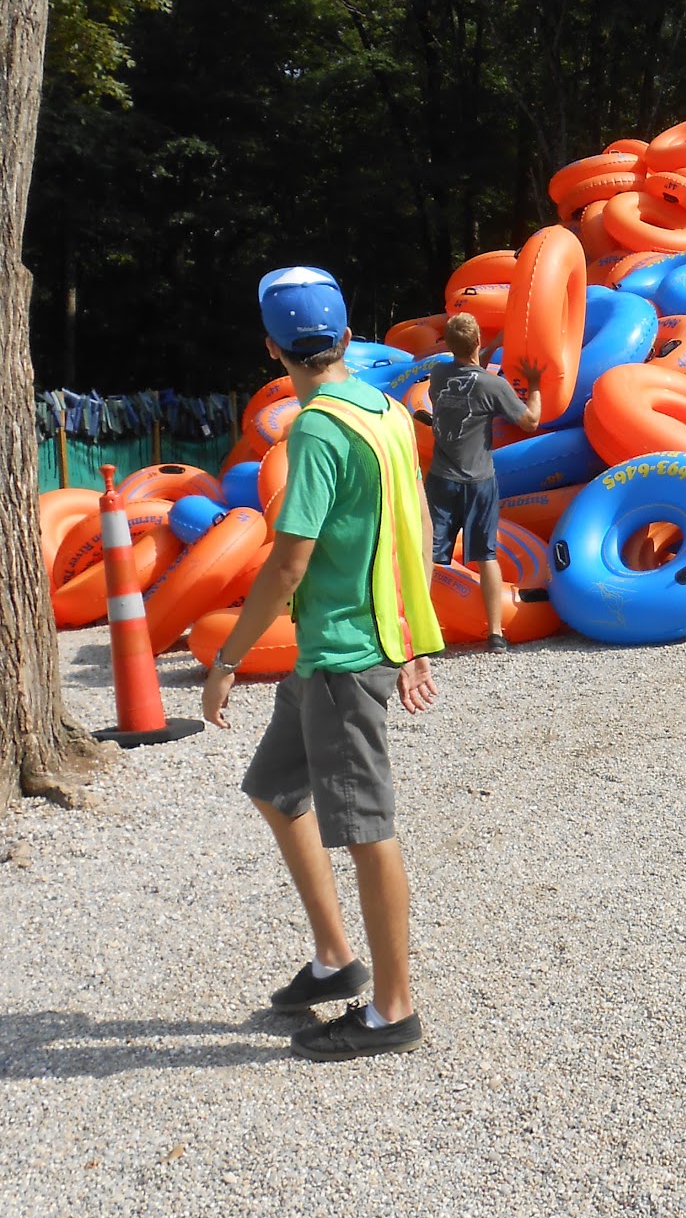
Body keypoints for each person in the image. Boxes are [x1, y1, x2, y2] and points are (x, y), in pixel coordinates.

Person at [202, 266, 444, 1061]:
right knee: (275, 790)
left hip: (343, 657)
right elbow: (413, 528)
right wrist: (410, 637)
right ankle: (336, 960)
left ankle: (393, 1010)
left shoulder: (313, 429)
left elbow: (285, 567)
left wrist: (228, 658)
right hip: (338, 649)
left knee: (368, 830)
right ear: (345, 338)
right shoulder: (385, 409)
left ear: (272, 349)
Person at [420, 312, 541, 650]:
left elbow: (468, 369)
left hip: (441, 480)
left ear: (448, 343)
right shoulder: (494, 386)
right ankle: (495, 633)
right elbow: (530, 421)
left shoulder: (440, 374)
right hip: (478, 482)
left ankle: (419, 630)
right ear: (477, 341)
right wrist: (534, 384)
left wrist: (487, 350)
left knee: (428, 554)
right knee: (485, 556)